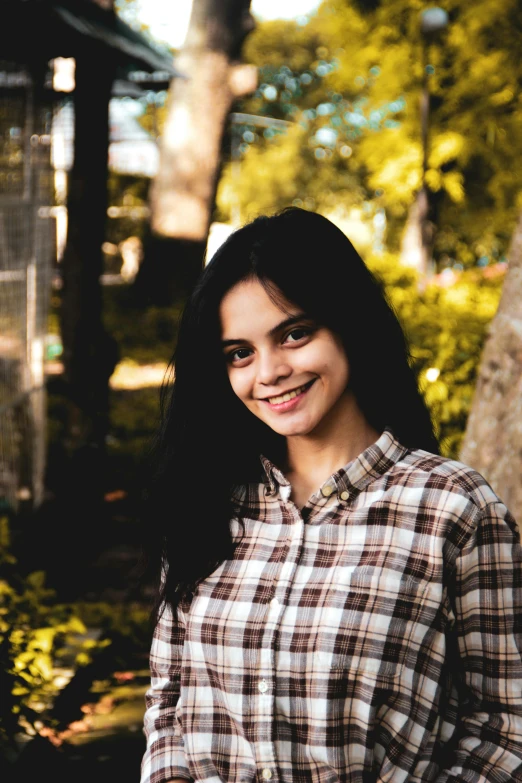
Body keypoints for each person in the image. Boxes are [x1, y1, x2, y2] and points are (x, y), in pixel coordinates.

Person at [141, 208, 522, 783]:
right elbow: (169, 705)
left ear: (349, 324)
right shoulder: (207, 503)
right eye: (239, 353)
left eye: (294, 334)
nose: (268, 372)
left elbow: (504, 723)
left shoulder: (452, 508)